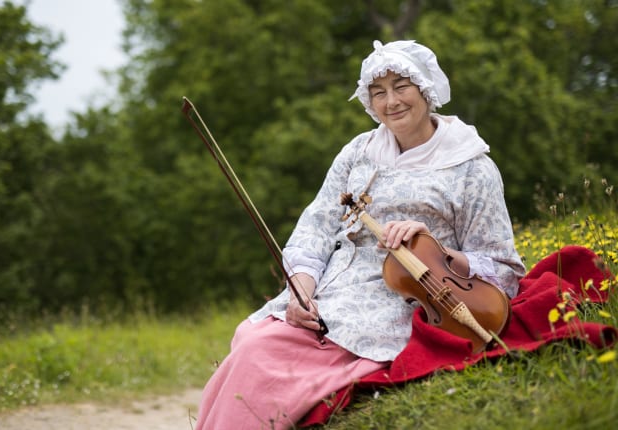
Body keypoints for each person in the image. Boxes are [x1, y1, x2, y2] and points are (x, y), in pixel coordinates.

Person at [194, 39, 526, 429]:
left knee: (269, 360)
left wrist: (436, 249)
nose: (391, 102)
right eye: (378, 92)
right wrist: (301, 290)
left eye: (401, 86)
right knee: (252, 343)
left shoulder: (473, 168)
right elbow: (315, 228)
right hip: (331, 290)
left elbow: (501, 266)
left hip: (404, 296)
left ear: (426, 89)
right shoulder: (358, 152)